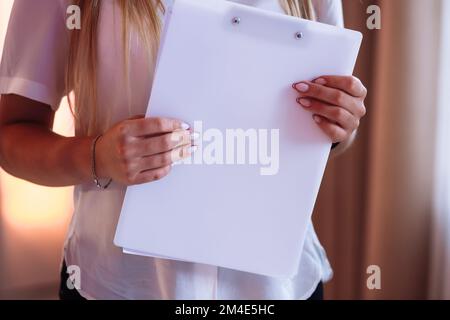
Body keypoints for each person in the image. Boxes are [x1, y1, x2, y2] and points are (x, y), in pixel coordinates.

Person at [0, 0, 367, 300]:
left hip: (278, 287)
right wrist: (97, 156)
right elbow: (10, 135)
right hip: (119, 284)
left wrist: (339, 124)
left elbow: (323, 138)